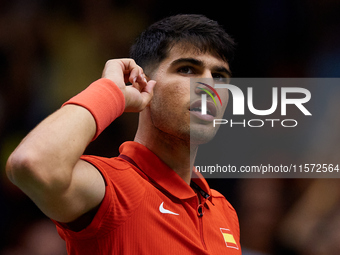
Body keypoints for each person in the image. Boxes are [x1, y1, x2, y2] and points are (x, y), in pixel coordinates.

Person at [6, 14, 241, 254]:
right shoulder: (112, 188)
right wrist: (110, 91)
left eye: (219, 76)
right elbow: (31, 162)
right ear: (142, 81)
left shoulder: (225, 211)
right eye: (188, 69)